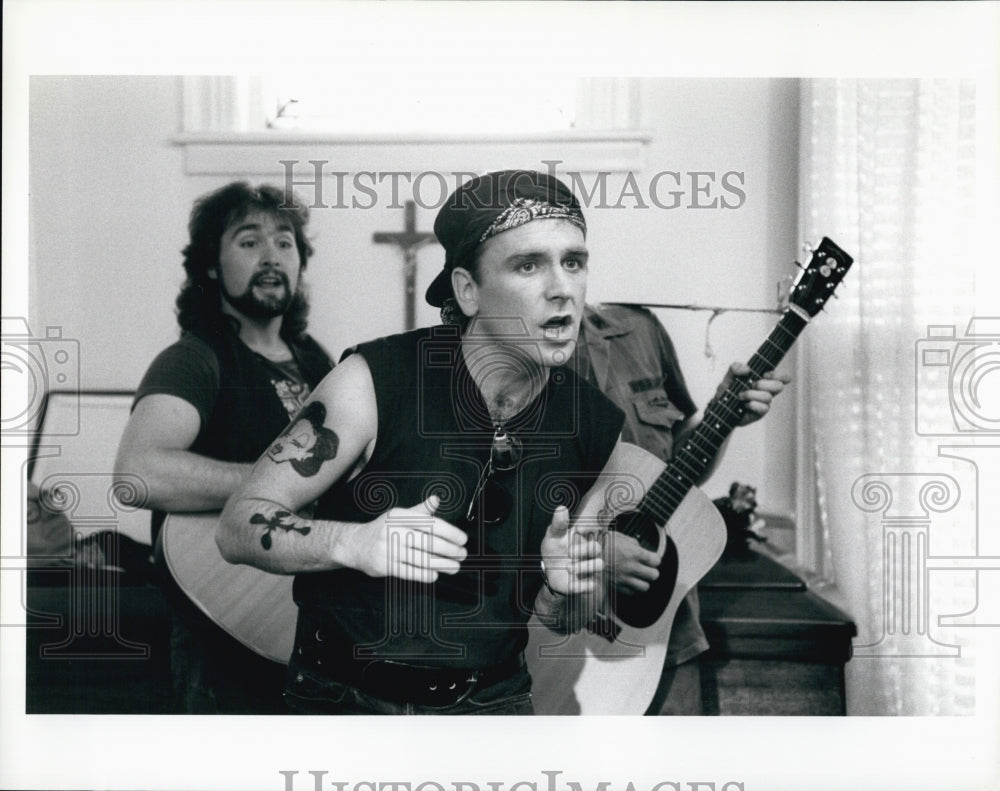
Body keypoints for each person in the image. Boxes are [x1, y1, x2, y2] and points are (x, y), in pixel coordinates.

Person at [217, 169, 786, 715]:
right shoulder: (373, 381)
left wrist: (566, 591)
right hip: (341, 701)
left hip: (493, 705)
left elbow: (562, 618)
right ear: (468, 290)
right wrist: (356, 543)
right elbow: (240, 524)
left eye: (573, 262)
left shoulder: (590, 424)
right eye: (528, 266)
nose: (562, 289)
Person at [114, 182, 334, 713]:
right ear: (210, 266)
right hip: (221, 628)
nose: (271, 256)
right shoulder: (194, 359)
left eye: (285, 242)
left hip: (305, 622)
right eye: (248, 241)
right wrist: (280, 483)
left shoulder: (318, 362)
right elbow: (138, 474)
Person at [573, 303, 723, 715]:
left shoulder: (640, 331)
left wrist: (723, 414)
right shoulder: (496, 353)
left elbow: (677, 468)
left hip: (664, 627)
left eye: (574, 259)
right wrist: (592, 554)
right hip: (553, 635)